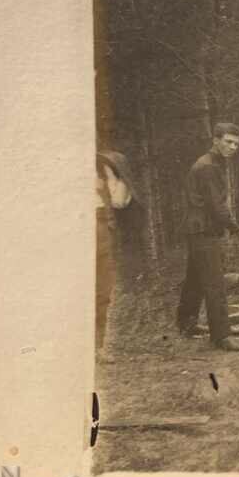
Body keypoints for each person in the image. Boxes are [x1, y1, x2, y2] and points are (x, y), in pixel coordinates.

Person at [176, 123, 239, 351]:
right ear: (216, 140)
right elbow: (216, 206)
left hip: (197, 229)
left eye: (236, 143)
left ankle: (187, 323)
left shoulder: (212, 163)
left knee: (196, 278)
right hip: (203, 230)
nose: (232, 147)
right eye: (228, 141)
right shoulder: (209, 167)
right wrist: (236, 229)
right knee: (214, 282)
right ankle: (222, 336)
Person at [95, 150, 135, 350]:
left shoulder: (102, 163)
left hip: (99, 226)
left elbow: (119, 201)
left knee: (102, 288)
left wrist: (116, 177)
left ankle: (97, 346)